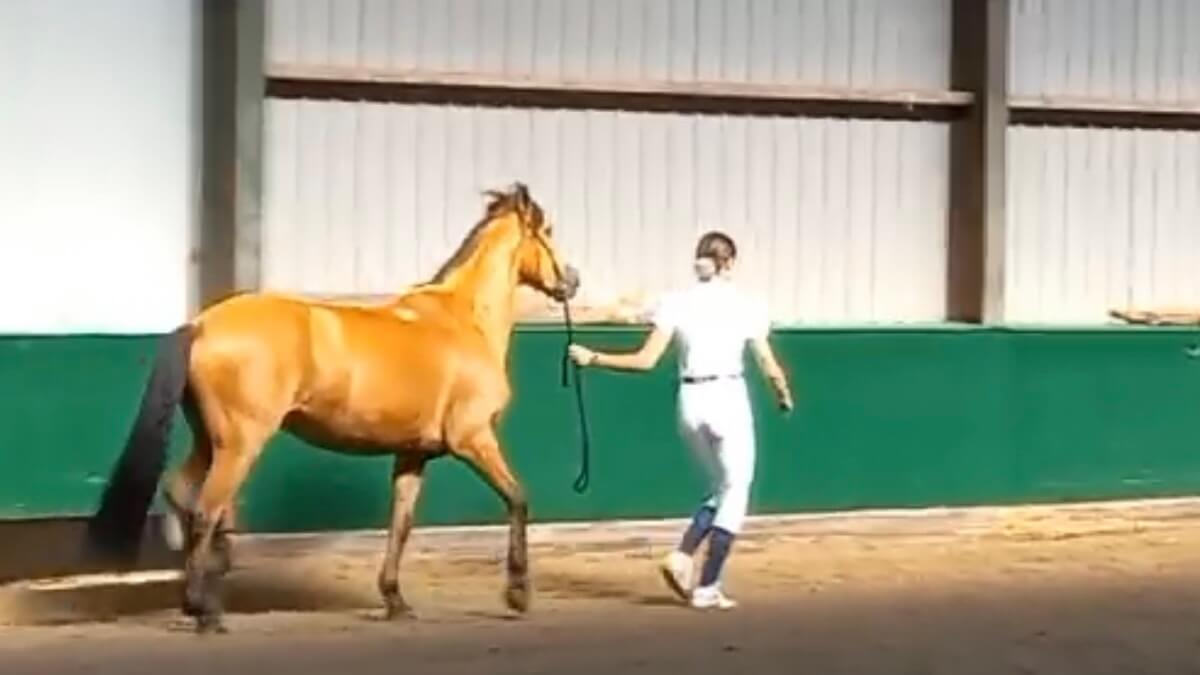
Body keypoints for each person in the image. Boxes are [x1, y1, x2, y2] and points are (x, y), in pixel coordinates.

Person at [568, 230, 794, 610]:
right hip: (727, 395)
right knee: (736, 489)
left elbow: (645, 361)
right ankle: (708, 585)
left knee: (722, 487)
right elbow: (768, 364)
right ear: (729, 263)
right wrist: (783, 394)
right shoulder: (746, 304)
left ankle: (683, 555)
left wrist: (594, 358)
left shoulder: (676, 302)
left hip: (689, 402)